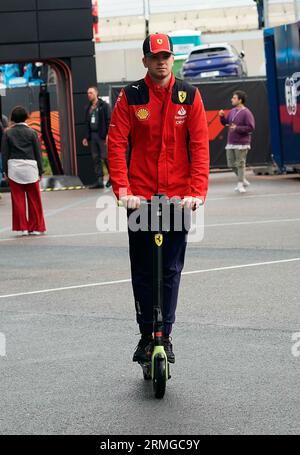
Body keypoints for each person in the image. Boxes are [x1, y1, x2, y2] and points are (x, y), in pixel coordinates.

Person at [108, 33, 209, 364]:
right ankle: (144, 334)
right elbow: (117, 143)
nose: (162, 61)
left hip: (179, 198)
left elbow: (199, 146)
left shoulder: (189, 95)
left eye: (166, 56)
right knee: (143, 269)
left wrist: (196, 192)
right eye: (156, 56)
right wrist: (123, 190)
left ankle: (165, 333)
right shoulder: (131, 96)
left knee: (170, 269)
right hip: (141, 197)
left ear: (172, 59)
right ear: (145, 61)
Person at [1, 106, 46, 235]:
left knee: (18, 200)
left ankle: (23, 228)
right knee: (34, 199)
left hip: (14, 168)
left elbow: (5, 154)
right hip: (31, 168)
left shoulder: (7, 133)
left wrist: (5, 172)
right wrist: (41, 171)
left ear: (13, 118)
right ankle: (36, 227)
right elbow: (38, 152)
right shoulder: (32, 132)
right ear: (26, 117)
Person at [219, 91, 255, 193]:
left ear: (240, 100)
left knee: (240, 163)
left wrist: (237, 128)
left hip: (242, 143)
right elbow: (226, 123)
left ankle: (240, 184)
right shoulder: (232, 111)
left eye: (234, 98)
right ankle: (242, 179)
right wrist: (222, 117)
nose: (232, 99)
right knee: (231, 163)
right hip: (231, 142)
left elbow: (251, 127)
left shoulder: (246, 112)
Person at [83, 86, 111, 189]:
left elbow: (109, 120)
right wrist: (86, 137)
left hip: (102, 135)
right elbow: (86, 123)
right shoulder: (88, 107)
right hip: (93, 136)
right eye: (88, 93)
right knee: (96, 158)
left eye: (91, 93)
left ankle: (112, 178)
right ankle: (100, 180)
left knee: (105, 157)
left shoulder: (104, 106)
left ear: (96, 93)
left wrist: (108, 135)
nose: (89, 95)